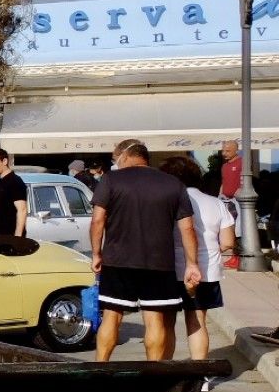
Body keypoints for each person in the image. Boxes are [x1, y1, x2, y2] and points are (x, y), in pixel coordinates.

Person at [91, 138, 201, 363]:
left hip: (118, 260)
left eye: (115, 158)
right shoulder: (173, 184)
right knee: (155, 320)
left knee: (112, 317)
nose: (115, 163)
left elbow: (98, 220)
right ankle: (153, 375)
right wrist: (192, 263)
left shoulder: (110, 180)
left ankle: (100, 368)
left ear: (126, 155)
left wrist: (96, 253)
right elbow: (187, 227)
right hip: (159, 262)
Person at [161, 155, 235, 367]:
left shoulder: (170, 202)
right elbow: (228, 242)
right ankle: (200, 375)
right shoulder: (216, 203)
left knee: (167, 323)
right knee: (197, 321)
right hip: (207, 269)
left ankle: (165, 371)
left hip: (172, 268)